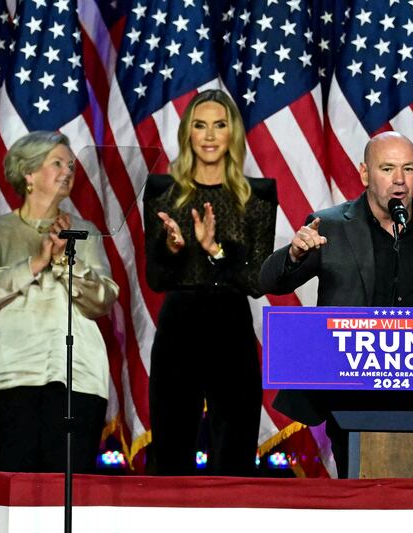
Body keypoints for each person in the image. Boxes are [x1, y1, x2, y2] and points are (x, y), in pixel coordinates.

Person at [259, 131, 413, 477]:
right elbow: (270, 281)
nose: (399, 180)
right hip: (353, 400)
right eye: (387, 169)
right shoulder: (332, 226)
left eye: (409, 169)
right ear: (365, 174)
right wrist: (294, 254)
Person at [144, 89, 277, 476]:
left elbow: (256, 280)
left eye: (219, 125)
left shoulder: (258, 195)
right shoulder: (161, 191)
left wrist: (215, 249)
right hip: (178, 327)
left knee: (234, 452)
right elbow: (155, 278)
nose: (209, 135)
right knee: (171, 450)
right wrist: (173, 248)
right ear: (188, 133)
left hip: (230, 326)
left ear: (232, 134)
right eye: (200, 125)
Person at [0, 131, 119, 473]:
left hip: (78, 378)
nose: (68, 171)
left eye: (72, 165)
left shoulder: (85, 231)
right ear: (28, 174)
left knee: (67, 489)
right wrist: (35, 262)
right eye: (57, 163)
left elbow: (103, 300)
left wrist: (65, 261)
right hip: (10, 377)